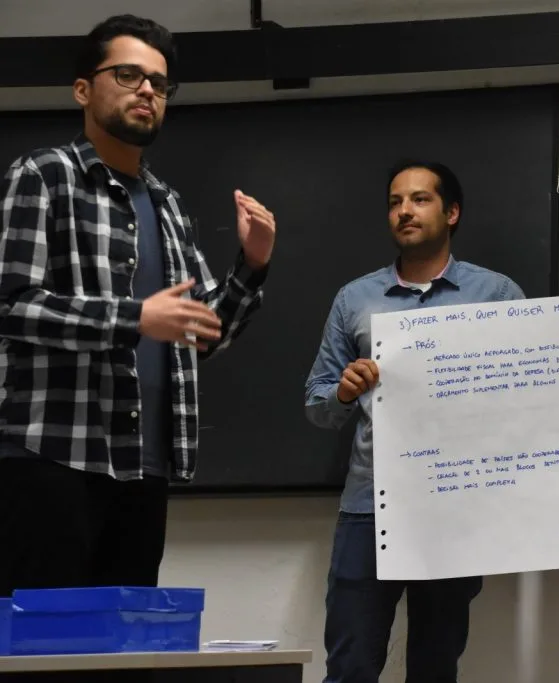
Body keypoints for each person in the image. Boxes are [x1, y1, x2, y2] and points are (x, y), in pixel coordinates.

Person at [0, 15, 275, 598]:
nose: (148, 90)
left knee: (125, 652)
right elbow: (11, 305)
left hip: (144, 466)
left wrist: (250, 266)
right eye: (128, 75)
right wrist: (133, 318)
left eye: (159, 82)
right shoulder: (44, 176)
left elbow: (204, 336)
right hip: (50, 457)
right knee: (41, 654)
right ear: (83, 89)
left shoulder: (167, 203)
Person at [304, 160, 524, 682]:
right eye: (395, 201)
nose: (404, 210)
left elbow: (528, 399)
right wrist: (343, 390)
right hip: (369, 505)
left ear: (451, 213)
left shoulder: (496, 296)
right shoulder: (355, 299)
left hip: (454, 505)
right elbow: (316, 403)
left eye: (420, 199)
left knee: (435, 665)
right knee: (350, 663)